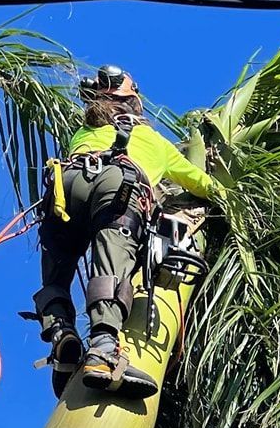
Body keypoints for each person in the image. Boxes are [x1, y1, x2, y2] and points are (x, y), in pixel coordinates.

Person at [32, 67, 221, 395]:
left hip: (65, 186)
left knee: (56, 274)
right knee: (112, 262)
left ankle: (62, 335)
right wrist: (228, 193)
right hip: (117, 184)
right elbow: (200, 183)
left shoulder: (83, 131)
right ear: (134, 104)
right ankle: (104, 348)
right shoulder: (155, 142)